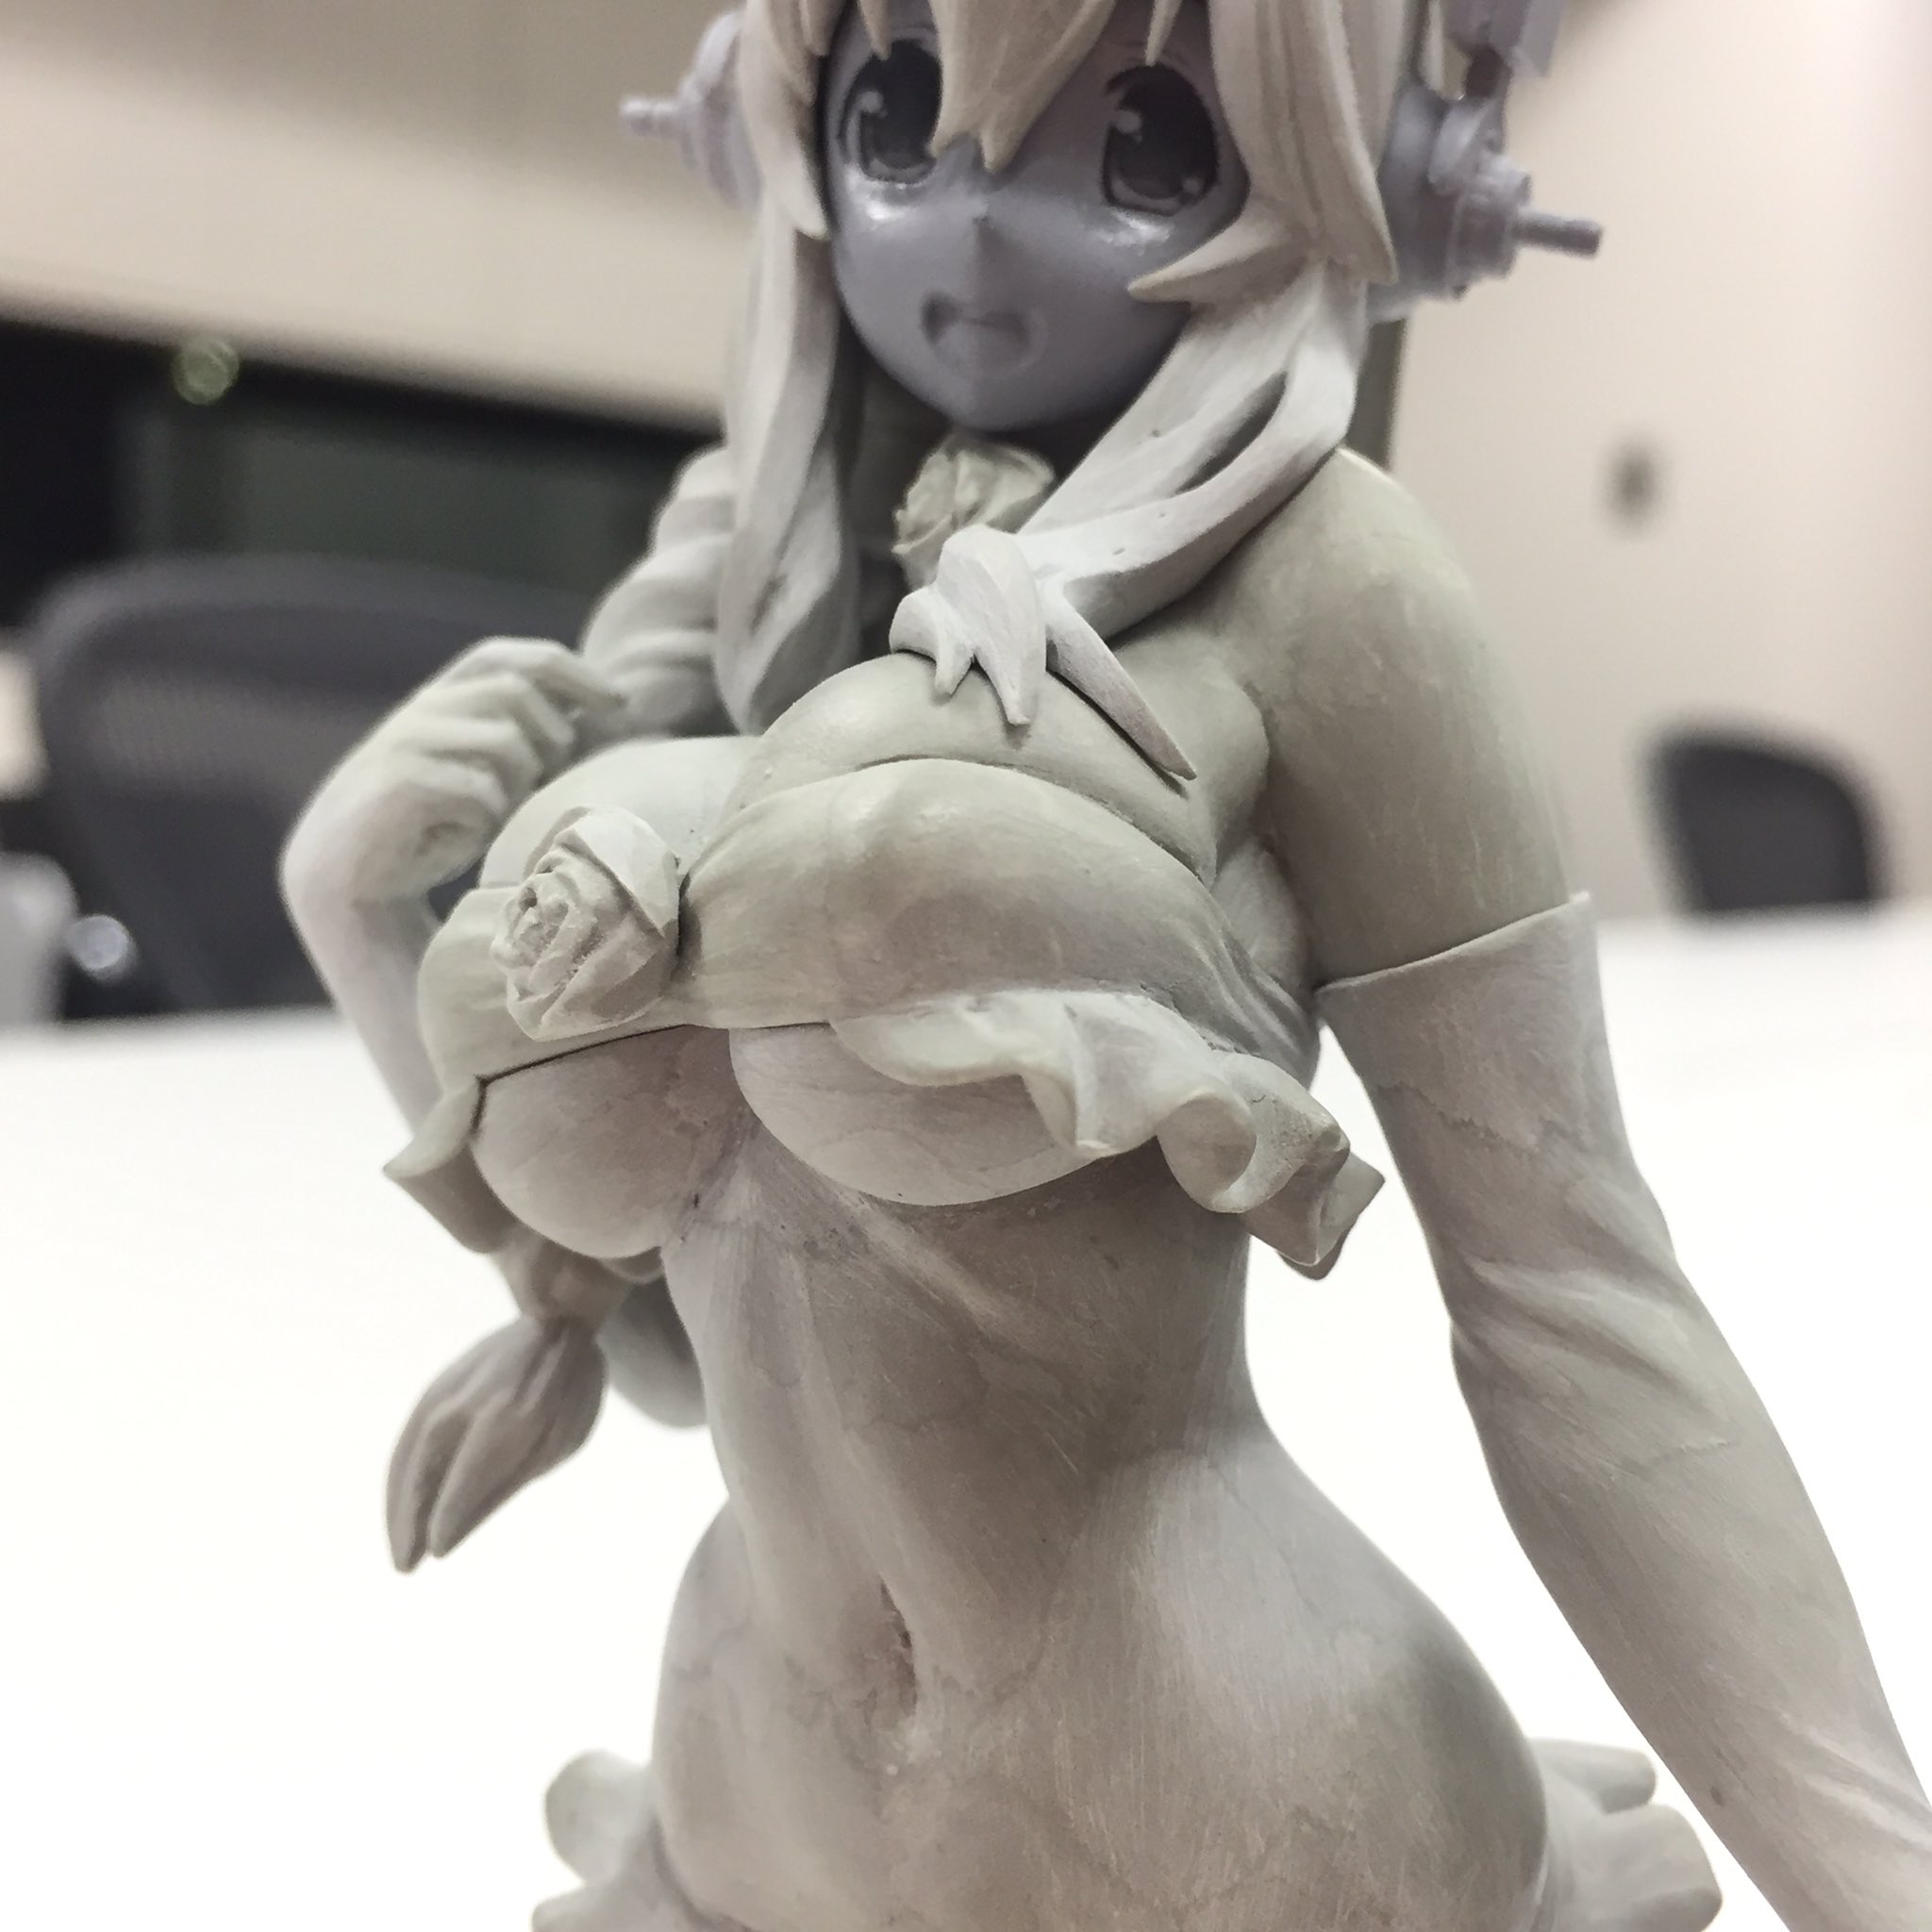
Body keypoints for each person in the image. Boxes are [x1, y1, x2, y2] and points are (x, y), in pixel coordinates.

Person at [283, 4, 1932, 1926]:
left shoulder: (1333, 592)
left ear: (1341, 175)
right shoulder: (754, 570)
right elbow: (672, 1341)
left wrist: (1875, 1885)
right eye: (894, 114)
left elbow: (1574, 1302)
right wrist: (358, 920)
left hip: (1239, 1793)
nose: (976, 221)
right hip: (763, 1794)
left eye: (1149, 142)